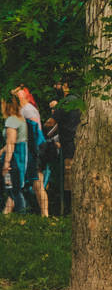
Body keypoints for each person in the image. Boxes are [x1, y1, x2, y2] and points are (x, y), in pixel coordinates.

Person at [13, 84, 49, 217]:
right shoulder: (25, 109)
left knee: (37, 182)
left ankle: (45, 214)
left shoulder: (28, 110)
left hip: (36, 147)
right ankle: (42, 213)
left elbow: (34, 130)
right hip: (34, 147)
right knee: (34, 183)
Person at [49, 78, 81, 212]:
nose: (55, 87)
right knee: (75, 173)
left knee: (68, 175)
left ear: (66, 85)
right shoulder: (79, 100)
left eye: (58, 84)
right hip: (78, 141)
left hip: (67, 142)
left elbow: (51, 122)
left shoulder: (64, 102)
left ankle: (68, 208)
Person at [1, 94, 28, 214]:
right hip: (19, 155)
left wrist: (6, 163)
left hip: (13, 158)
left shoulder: (11, 120)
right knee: (13, 188)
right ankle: (8, 213)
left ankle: (22, 214)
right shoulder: (20, 119)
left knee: (13, 189)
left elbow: (11, 142)